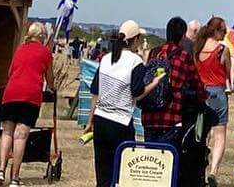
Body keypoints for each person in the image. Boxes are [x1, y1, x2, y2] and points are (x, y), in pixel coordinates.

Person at [87, 20, 145, 187]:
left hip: (100, 119)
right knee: (121, 173)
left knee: (102, 171)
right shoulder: (135, 62)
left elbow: (95, 92)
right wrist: (154, 82)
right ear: (135, 39)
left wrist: (90, 121)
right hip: (121, 122)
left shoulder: (106, 58)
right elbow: (138, 93)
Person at [0, 21, 53, 187]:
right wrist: (53, 87)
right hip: (29, 95)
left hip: (11, 92)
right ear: (41, 36)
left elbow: (10, 72)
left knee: (7, 132)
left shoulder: (20, 49)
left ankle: (1, 170)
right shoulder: (45, 52)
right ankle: (15, 177)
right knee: (20, 136)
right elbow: (49, 78)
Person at [139, 15, 205, 153]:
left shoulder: (154, 52)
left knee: (150, 156)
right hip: (171, 115)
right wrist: (202, 97)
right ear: (183, 36)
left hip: (149, 114)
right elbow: (196, 82)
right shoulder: (183, 56)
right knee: (168, 159)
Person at [194, 17, 233, 187]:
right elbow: (228, 74)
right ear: (216, 31)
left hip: (201, 92)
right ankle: (213, 170)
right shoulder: (222, 50)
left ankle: (200, 166)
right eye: (223, 31)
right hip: (217, 92)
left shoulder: (198, 48)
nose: (225, 34)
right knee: (220, 135)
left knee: (201, 132)